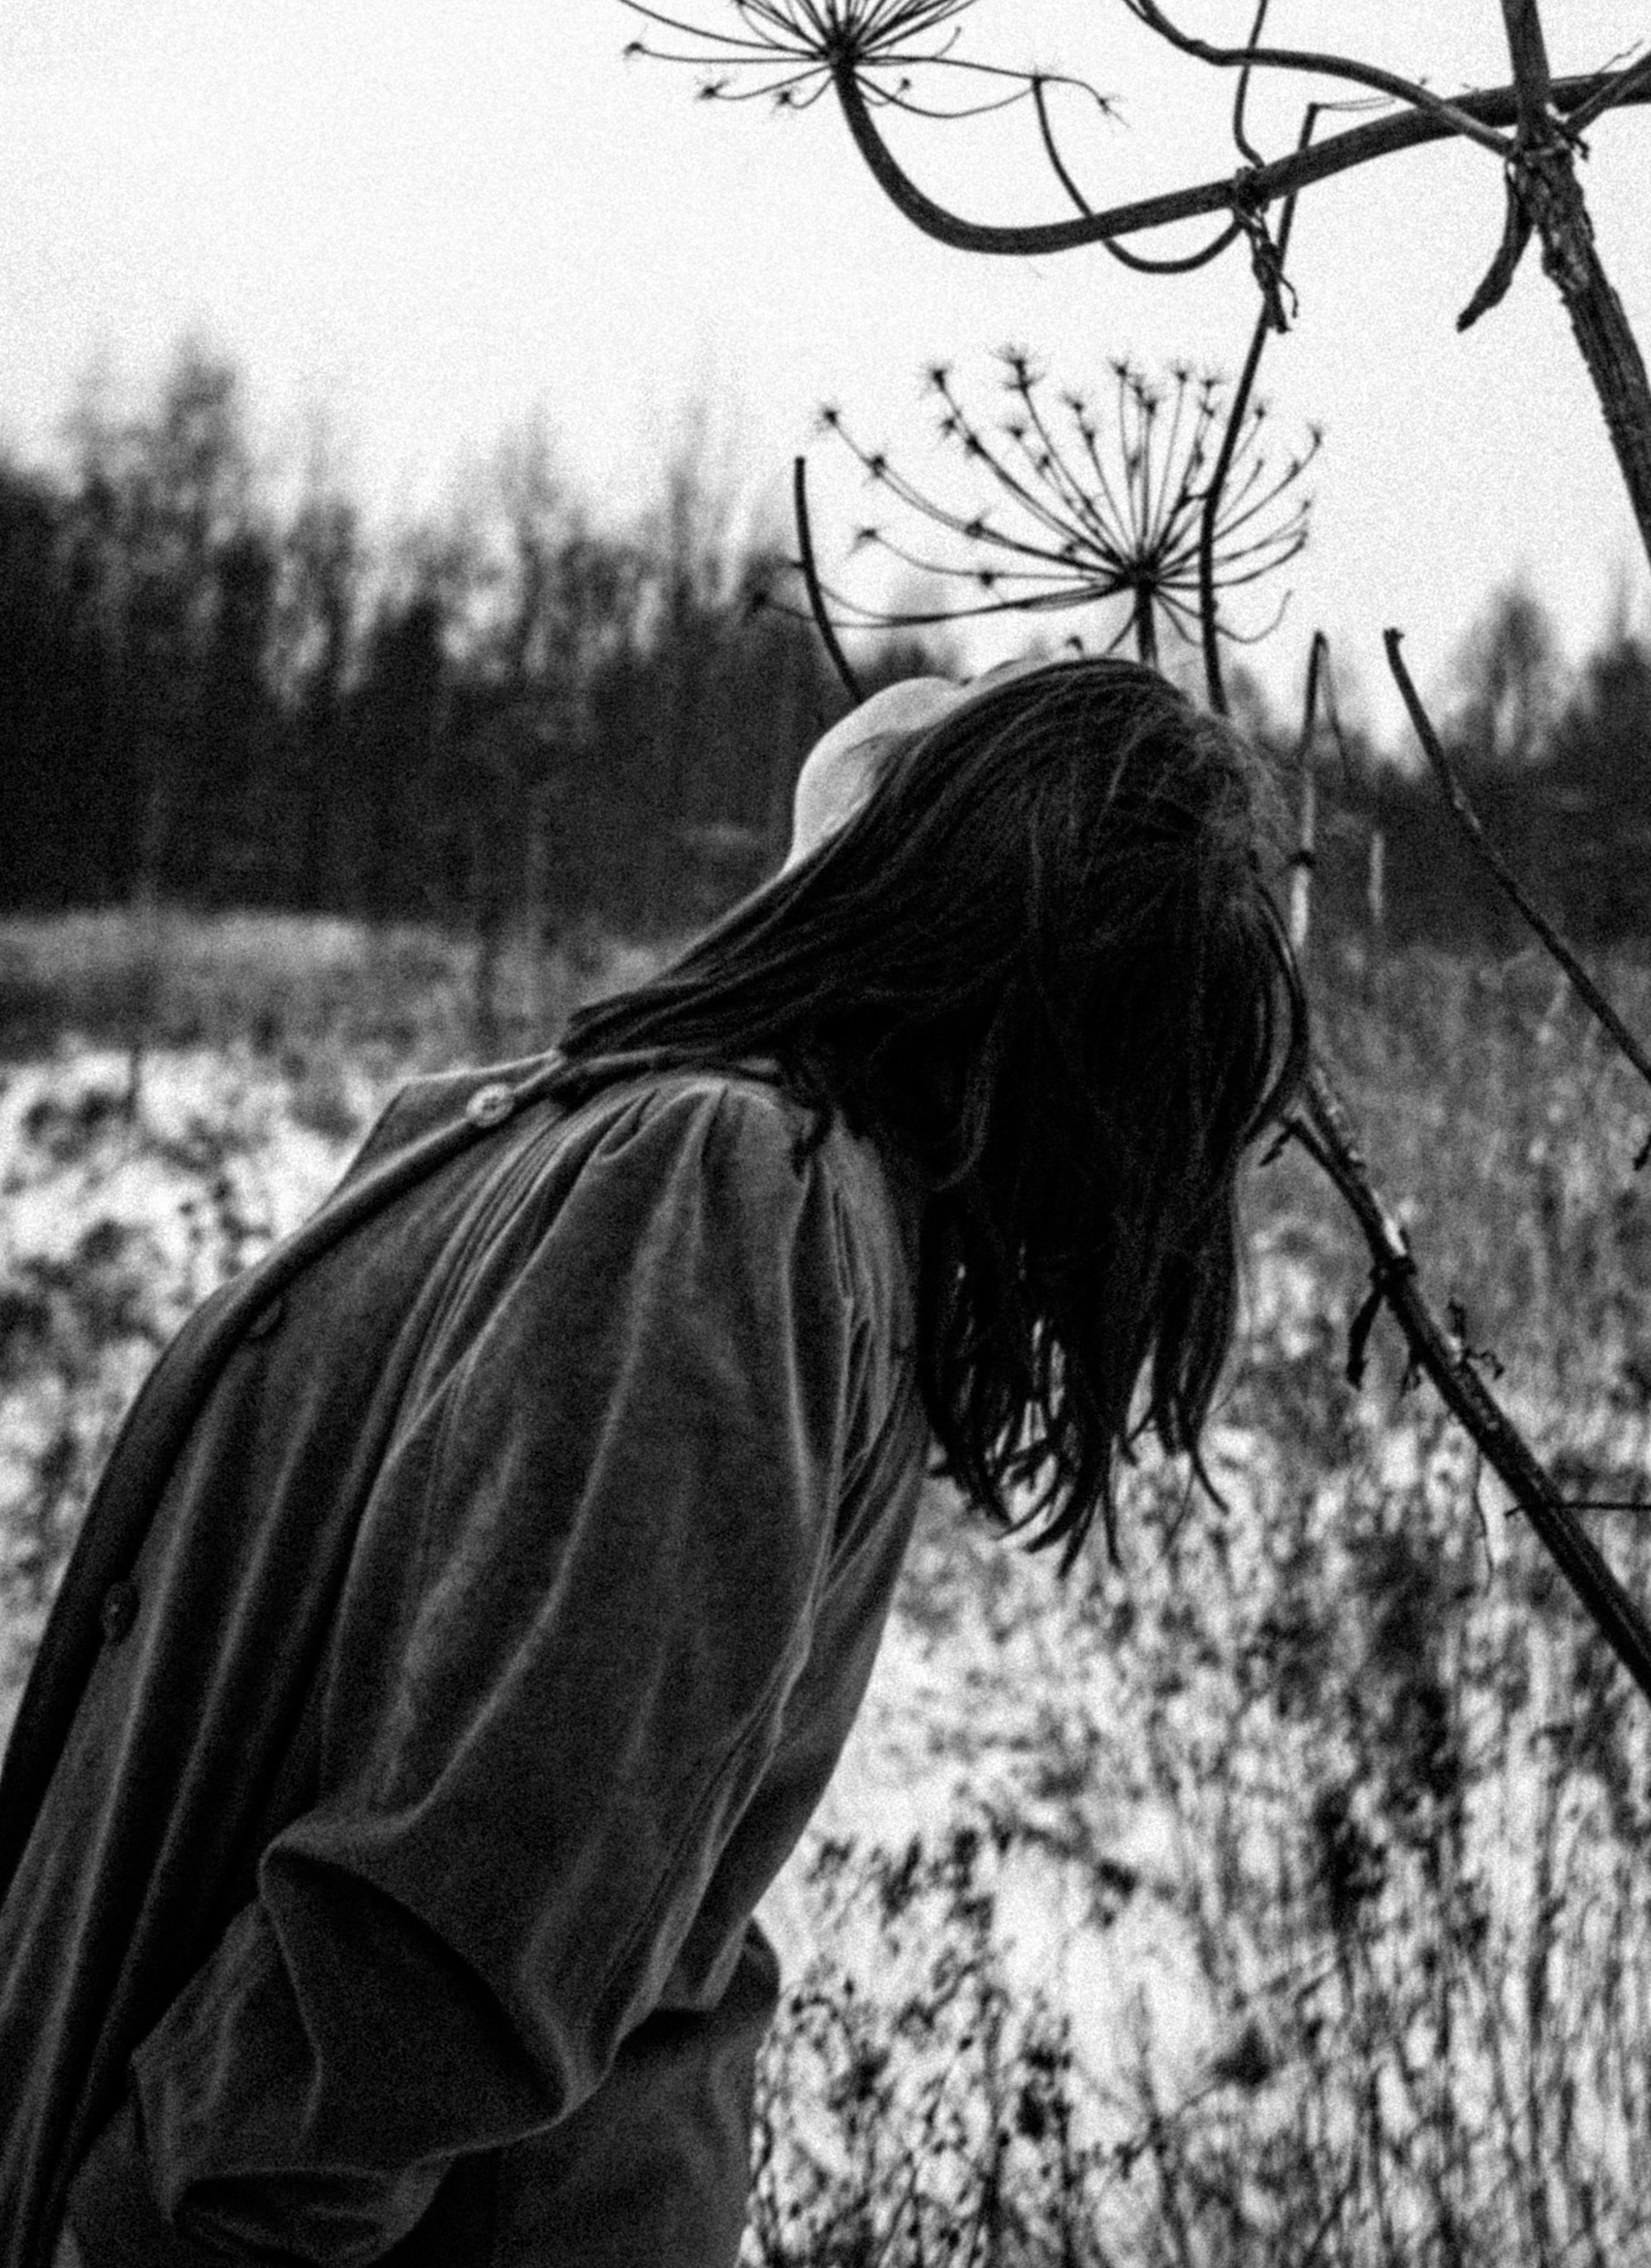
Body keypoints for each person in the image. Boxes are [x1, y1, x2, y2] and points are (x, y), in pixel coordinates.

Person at [0, 654, 1303, 2268]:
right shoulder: (738, 1176)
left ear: (945, 870)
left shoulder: (733, 1183)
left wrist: (149, 2226)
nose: (922, 692)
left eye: (962, 723)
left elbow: (473, 1914)